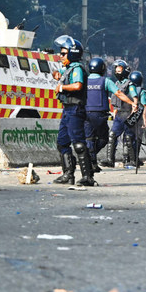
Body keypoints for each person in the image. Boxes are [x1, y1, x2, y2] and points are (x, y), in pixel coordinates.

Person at [51, 35, 95, 186]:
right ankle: (68, 174)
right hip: (67, 109)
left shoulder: (77, 68)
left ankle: (88, 177)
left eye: (63, 54)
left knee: (78, 144)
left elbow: (77, 86)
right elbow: (65, 78)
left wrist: (61, 87)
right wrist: (59, 77)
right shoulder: (69, 69)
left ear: (72, 53)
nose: (60, 56)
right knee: (62, 142)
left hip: (75, 109)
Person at [84, 57, 135, 173]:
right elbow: (118, 94)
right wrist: (132, 103)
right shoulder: (106, 81)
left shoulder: (84, 80)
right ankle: (93, 160)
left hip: (86, 114)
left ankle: (91, 161)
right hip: (100, 115)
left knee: (90, 139)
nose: (117, 71)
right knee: (104, 138)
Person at [100, 60, 136, 168]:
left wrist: (134, 104)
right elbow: (115, 99)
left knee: (128, 138)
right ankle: (110, 160)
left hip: (129, 113)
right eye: (116, 70)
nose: (117, 72)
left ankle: (131, 160)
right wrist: (114, 110)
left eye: (119, 70)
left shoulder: (129, 84)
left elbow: (134, 94)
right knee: (112, 135)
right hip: (119, 113)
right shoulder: (115, 84)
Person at [125, 71, 146, 167]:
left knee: (128, 138)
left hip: (127, 115)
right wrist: (144, 120)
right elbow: (144, 106)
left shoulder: (127, 90)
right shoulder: (141, 91)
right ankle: (135, 159)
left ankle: (129, 159)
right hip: (137, 117)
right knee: (137, 139)